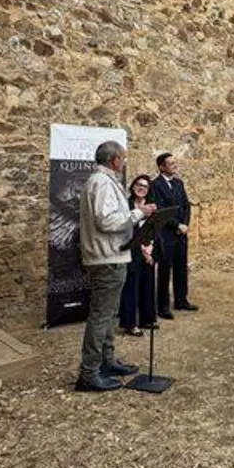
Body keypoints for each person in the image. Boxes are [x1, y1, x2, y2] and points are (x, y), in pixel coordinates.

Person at [76, 141, 156, 392]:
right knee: (101, 315)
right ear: (114, 160)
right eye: (123, 158)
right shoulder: (101, 183)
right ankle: (89, 373)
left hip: (113, 256)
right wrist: (139, 213)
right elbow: (107, 221)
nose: (124, 162)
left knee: (109, 313)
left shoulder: (105, 181)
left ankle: (107, 361)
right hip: (106, 257)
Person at [148, 153, 199, 317]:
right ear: (161, 167)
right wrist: (176, 225)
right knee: (164, 270)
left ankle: (181, 300)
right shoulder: (155, 185)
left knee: (181, 267)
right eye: (171, 163)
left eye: (175, 163)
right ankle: (163, 307)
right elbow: (160, 210)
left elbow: (186, 206)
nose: (175, 166)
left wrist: (185, 224)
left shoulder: (179, 183)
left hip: (181, 233)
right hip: (166, 234)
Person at [119, 175, 158, 337]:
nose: (142, 188)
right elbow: (125, 228)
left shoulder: (151, 206)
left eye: (145, 186)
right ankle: (130, 324)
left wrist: (150, 247)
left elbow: (155, 228)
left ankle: (147, 319)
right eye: (138, 185)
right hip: (131, 250)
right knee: (131, 287)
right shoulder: (126, 205)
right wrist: (143, 249)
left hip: (148, 249)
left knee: (147, 283)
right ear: (133, 186)